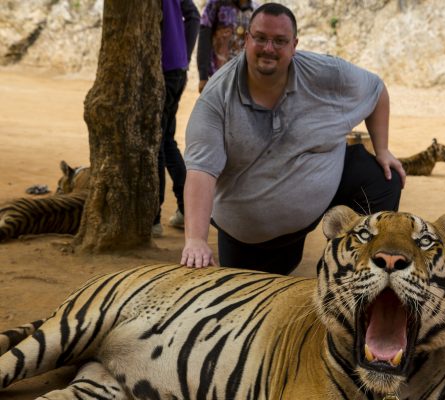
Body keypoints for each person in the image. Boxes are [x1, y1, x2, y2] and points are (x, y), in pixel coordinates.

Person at [182, 2, 405, 273]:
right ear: (246, 40)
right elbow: (200, 172)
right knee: (253, 301)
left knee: (382, 177)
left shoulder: (324, 73)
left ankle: (351, 268)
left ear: (294, 45)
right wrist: (195, 239)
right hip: (250, 233)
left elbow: (376, 89)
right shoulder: (216, 99)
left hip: (315, 197)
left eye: (280, 41)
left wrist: (382, 150)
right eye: (261, 38)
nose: (269, 49)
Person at [153, 0, 200, 237]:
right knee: (166, 141)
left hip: (161, 70)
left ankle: (153, 217)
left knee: (157, 144)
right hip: (177, 68)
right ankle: (185, 209)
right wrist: (184, 53)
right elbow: (194, 16)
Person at [196, 0, 259, 94]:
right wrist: (203, 76)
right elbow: (204, 38)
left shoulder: (256, 10)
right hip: (218, 78)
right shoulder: (215, 4)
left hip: (245, 80)